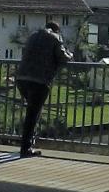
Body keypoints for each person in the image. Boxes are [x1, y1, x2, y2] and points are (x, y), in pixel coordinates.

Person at [13, 21, 72, 158]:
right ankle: (26, 148)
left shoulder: (33, 36)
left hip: (22, 78)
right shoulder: (55, 38)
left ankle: (27, 144)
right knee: (33, 114)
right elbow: (63, 57)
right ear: (57, 30)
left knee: (32, 112)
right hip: (39, 80)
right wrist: (71, 55)